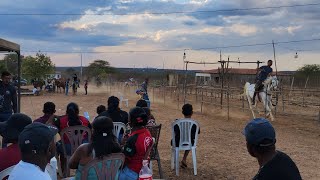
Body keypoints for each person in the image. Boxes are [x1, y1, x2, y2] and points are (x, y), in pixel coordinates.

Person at [51, 102, 91, 174]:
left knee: (58, 145)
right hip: (83, 149)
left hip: (67, 149)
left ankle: (63, 170)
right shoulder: (84, 120)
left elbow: (54, 128)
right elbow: (91, 132)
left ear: (67, 111)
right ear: (78, 111)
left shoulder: (60, 120)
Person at [119, 107, 153, 180]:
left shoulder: (133, 139)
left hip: (132, 172)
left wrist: (123, 145)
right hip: (144, 171)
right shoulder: (147, 133)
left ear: (131, 121)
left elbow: (125, 158)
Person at [172, 104, 200, 168]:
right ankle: (184, 158)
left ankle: (176, 160)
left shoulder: (177, 122)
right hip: (190, 143)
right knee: (190, 140)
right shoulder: (195, 123)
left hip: (177, 143)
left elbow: (175, 131)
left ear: (182, 112)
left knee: (176, 140)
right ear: (192, 113)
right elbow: (197, 132)